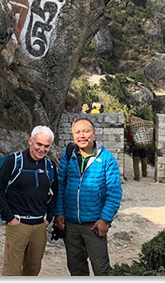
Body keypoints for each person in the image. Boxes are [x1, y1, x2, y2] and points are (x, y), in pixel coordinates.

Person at [54, 117, 122, 276]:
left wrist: (105, 219)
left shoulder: (107, 159)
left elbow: (114, 192)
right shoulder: (69, 155)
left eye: (86, 131)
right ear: (73, 135)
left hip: (94, 224)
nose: (82, 135)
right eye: (77, 132)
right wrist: (59, 212)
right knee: (76, 269)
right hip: (70, 224)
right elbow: (60, 184)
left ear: (94, 133)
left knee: (101, 269)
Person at [0, 125, 58, 276]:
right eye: (39, 144)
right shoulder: (13, 162)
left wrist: (48, 218)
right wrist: (9, 218)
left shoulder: (50, 165)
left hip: (40, 226)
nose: (42, 149)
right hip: (18, 225)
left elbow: (55, 193)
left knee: (33, 270)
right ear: (30, 141)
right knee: (12, 271)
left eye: (46, 146)